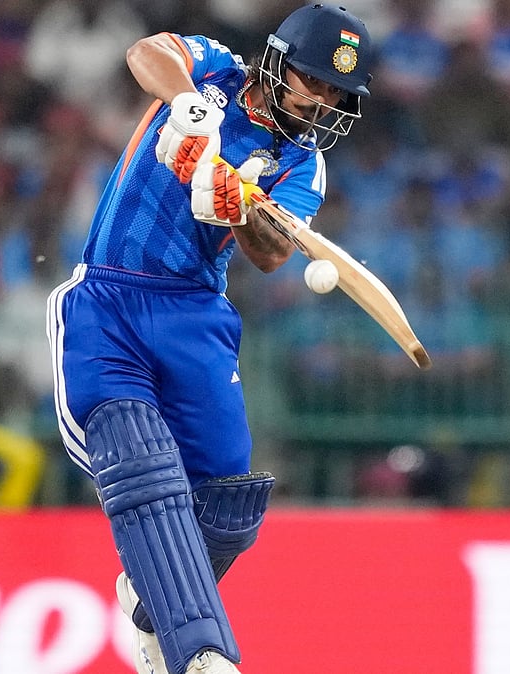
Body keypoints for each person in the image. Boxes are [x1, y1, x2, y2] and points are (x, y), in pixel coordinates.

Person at [45, 5, 373, 674]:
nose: (324, 102)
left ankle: (150, 604)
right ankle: (198, 651)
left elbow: (274, 253)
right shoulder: (215, 67)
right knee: (143, 463)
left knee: (231, 508)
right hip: (110, 297)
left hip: (196, 316)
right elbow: (145, 53)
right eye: (314, 82)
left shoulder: (302, 165)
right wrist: (194, 111)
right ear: (277, 64)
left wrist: (239, 201)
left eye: (337, 93)